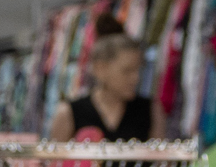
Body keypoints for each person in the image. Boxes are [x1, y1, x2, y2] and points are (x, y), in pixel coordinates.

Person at [46, 14, 164, 145]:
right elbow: (55, 164)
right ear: (100, 69)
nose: (136, 78)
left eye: (138, 70)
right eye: (127, 71)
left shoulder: (150, 110)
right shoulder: (69, 113)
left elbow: (162, 163)